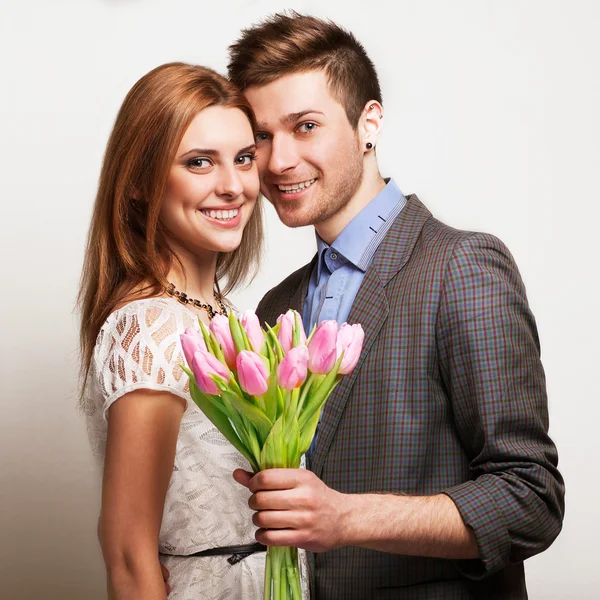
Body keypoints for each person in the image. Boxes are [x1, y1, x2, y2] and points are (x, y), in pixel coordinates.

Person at [227, 13, 565, 599]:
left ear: (368, 123)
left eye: (305, 126)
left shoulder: (462, 266)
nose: (278, 160)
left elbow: (531, 499)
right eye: (261, 135)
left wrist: (348, 519)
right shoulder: (274, 307)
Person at [79, 62, 270, 600]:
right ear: (140, 182)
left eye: (243, 159)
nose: (232, 186)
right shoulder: (153, 327)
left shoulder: (226, 318)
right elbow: (127, 552)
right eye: (199, 163)